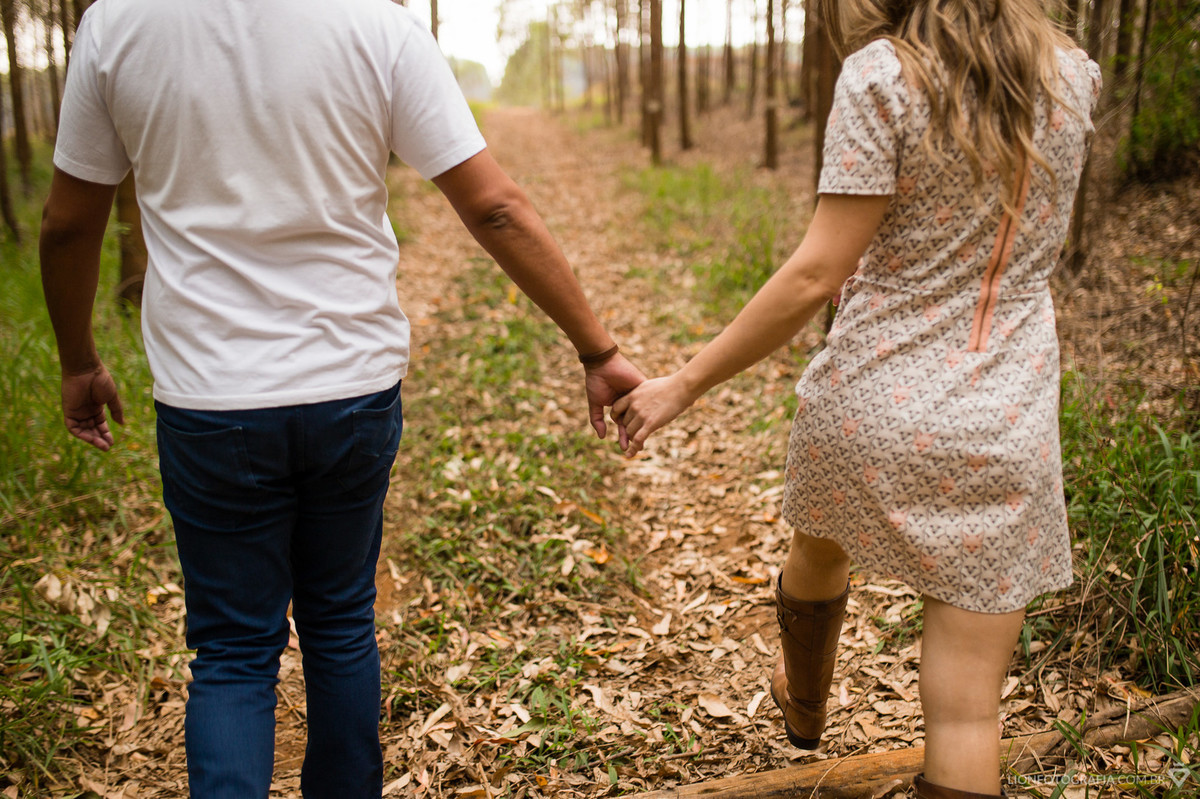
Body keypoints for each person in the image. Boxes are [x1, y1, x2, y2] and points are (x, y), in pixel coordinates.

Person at [39, 1, 643, 796]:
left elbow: (68, 224)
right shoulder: (377, 25)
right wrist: (597, 348)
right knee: (339, 621)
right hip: (350, 390)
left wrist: (79, 359)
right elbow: (494, 205)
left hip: (211, 398)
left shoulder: (118, 24)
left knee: (232, 650)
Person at [611, 0, 1100, 794]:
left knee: (819, 543)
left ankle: (803, 702)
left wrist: (684, 382)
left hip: (873, 402)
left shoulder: (883, 77)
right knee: (968, 714)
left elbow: (816, 272)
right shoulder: (1072, 77)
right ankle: (813, 708)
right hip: (1004, 418)